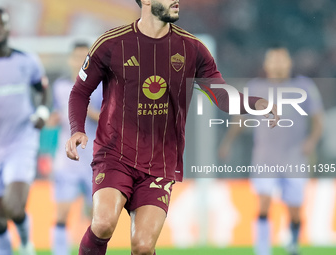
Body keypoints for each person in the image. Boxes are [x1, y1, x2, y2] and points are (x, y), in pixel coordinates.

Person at [65, 1, 279, 254]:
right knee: (102, 224)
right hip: (115, 154)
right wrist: (77, 128)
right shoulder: (112, 43)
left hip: (160, 162)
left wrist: (257, 104)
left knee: (143, 246)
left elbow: (222, 97)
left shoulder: (193, 49)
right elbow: (80, 91)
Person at [219, 46, 324, 255]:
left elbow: (318, 119)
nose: (277, 64)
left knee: (294, 209)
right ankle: (263, 250)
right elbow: (240, 119)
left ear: (289, 62)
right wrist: (227, 142)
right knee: (264, 202)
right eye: (273, 60)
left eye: (281, 59)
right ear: (266, 65)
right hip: (265, 157)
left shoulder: (304, 86)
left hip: (295, 157)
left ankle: (293, 245)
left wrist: (311, 141)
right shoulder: (255, 87)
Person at [0, 7, 49, 255]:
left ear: (8, 28)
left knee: (14, 208)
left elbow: (40, 89)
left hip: (20, 141)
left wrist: (42, 111)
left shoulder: (26, 61)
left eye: (1, 23)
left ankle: (27, 243)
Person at [47, 42, 102, 255]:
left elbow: (108, 118)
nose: (80, 61)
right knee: (62, 212)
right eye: (76, 56)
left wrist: (86, 109)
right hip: (67, 159)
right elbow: (57, 114)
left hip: (94, 159)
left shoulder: (99, 87)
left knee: (96, 217)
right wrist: (51, 119)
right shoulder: (60, 87)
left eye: (84, 57)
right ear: (70, 59)